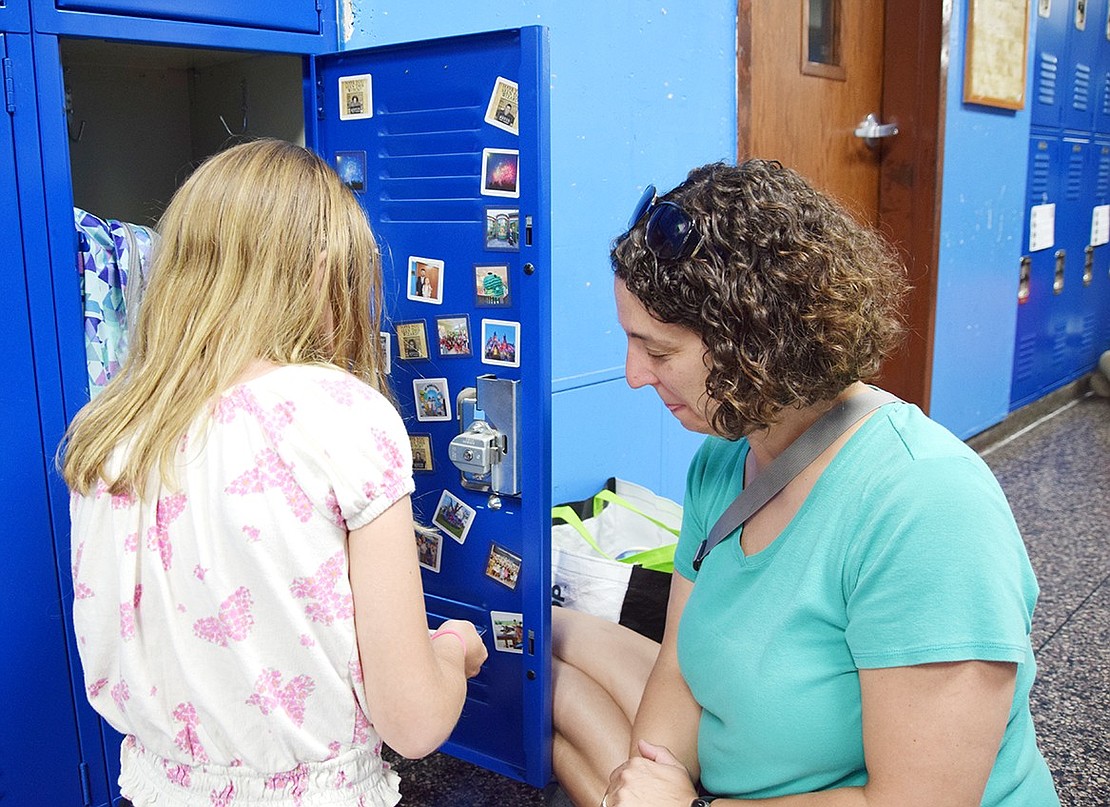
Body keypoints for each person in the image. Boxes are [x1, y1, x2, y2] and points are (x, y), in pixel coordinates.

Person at [551, 160, 1059, 806]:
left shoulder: (928, 504)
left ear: (752, 341)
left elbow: (914, 802)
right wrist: (654, 774)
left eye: (657, 351)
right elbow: (677, 661)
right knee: (546, 650)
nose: (633, 374)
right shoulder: (722, 461)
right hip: (730, 782)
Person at [60, 139, 487, 807]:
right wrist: (456, 651)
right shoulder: (343, 417)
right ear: (319, 271)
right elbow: (414, 718)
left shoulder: (108, 434)